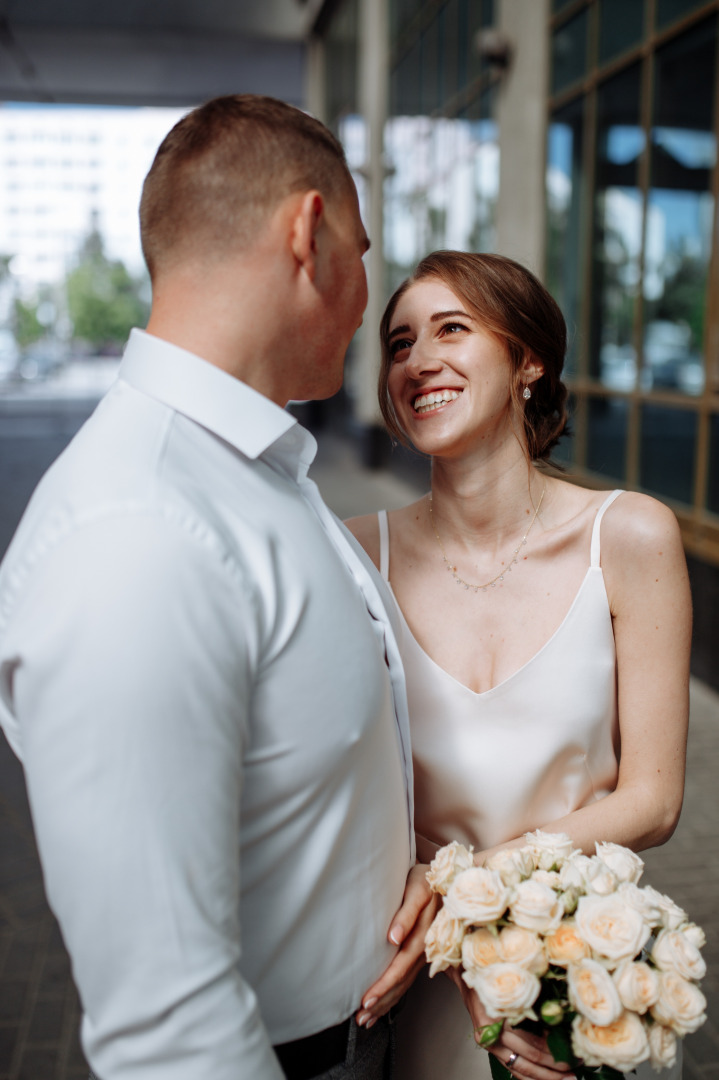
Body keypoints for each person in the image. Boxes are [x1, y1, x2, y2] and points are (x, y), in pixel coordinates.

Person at [0, 95, 435, 1080]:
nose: (371, 298)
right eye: (363, 253)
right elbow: (167, 1026)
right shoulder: (138, 530)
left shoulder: (248, 468)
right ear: (309, 233)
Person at [346, 251, 691, 1080]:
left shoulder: (630, 536)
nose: (418, 359)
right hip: (421, 984)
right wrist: (449, 941)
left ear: (527, 359)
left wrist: (478, 896)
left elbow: (651, 799)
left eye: (451, 329)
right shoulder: (356, 554)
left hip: (577, 971)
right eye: (398, 344)